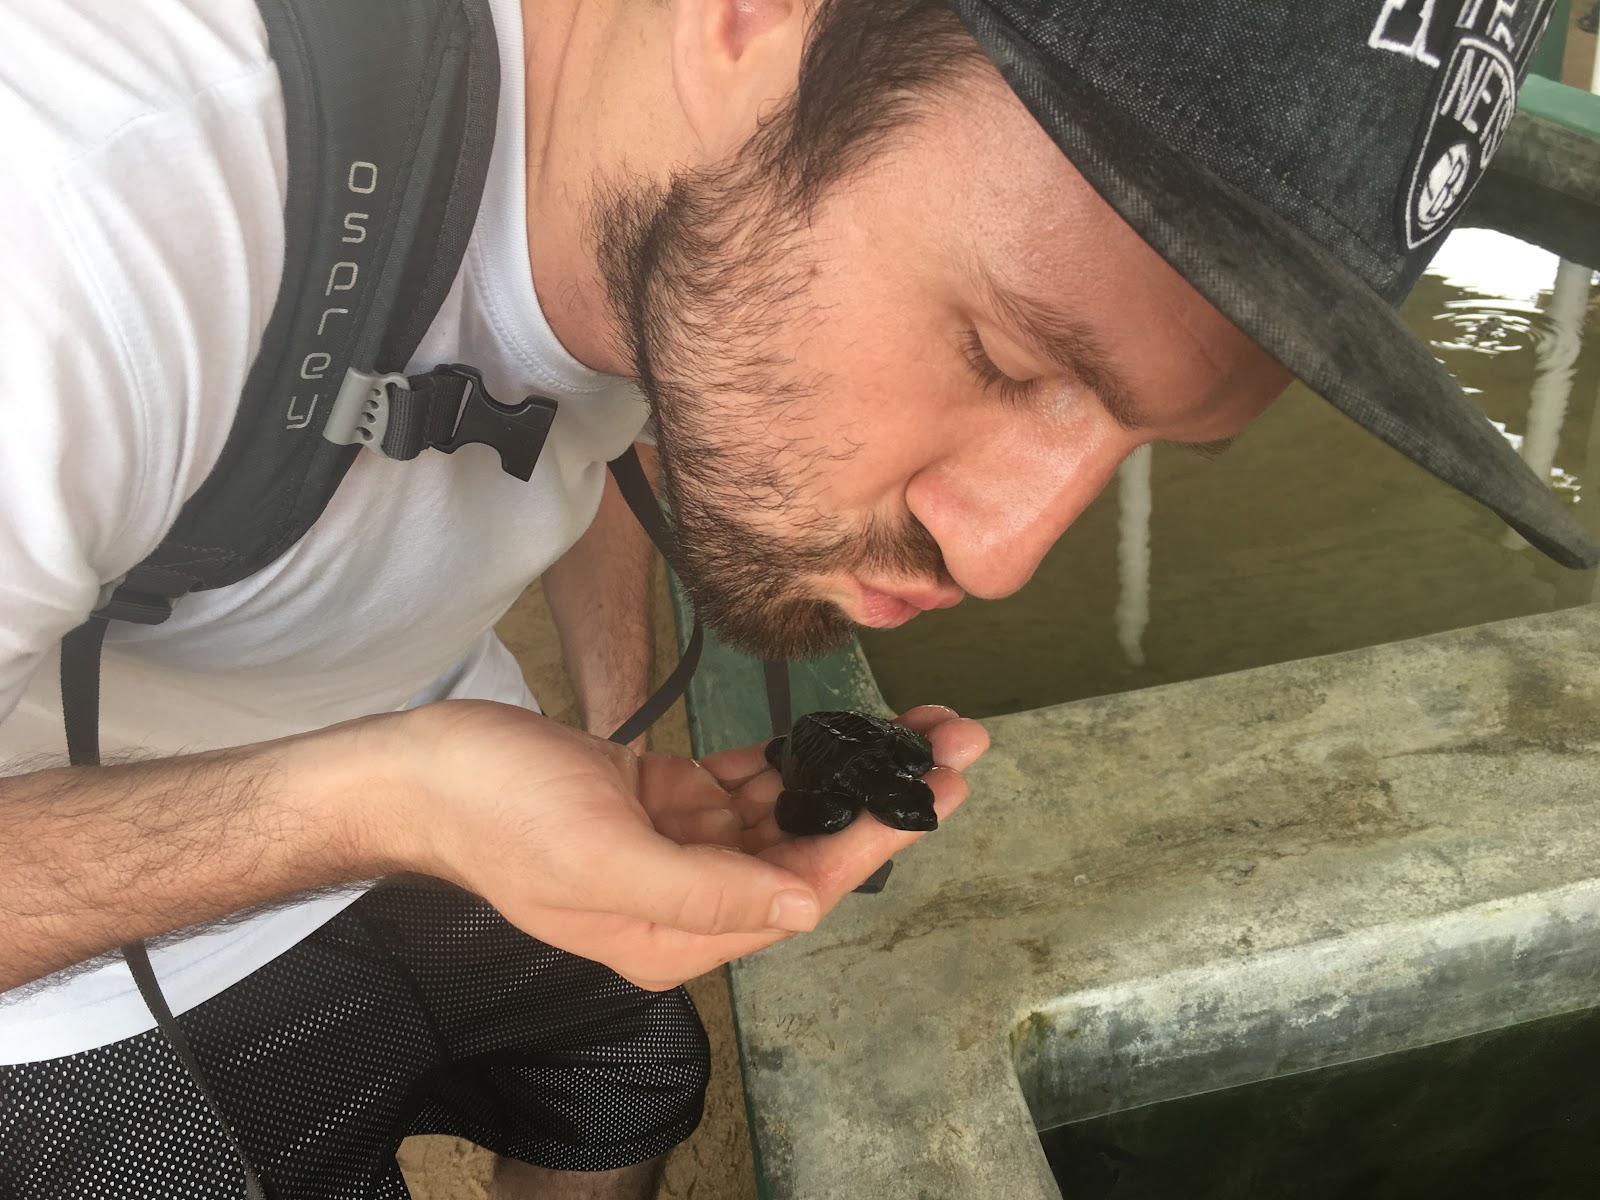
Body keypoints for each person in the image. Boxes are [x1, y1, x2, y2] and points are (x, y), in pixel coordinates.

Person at [1, 0, 1592, 1197]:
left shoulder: (653, 162)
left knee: (631, 1068)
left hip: (428, 744)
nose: (1005, 556)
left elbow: (611, 375)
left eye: (1142, 442)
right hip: (73, 961)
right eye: (1006, 358)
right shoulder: (78, 228)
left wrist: (609, 734)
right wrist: (379, 802)